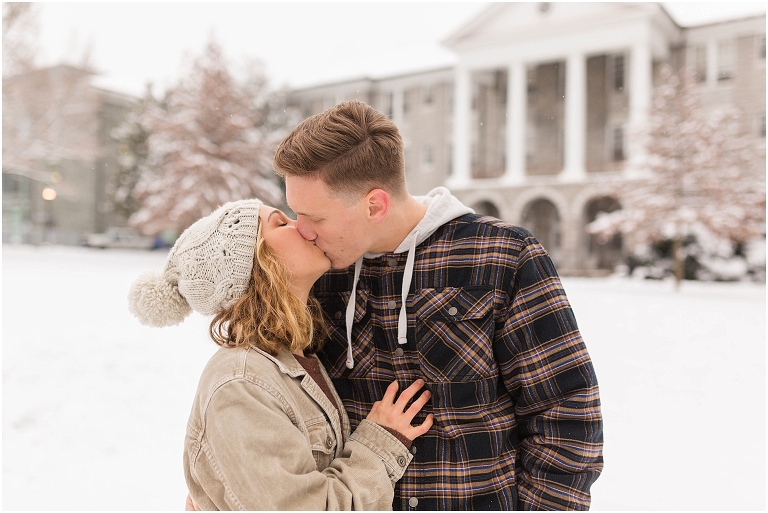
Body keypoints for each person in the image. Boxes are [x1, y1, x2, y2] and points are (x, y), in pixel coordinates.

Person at [272, 101, 604, 510]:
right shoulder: (317, 273)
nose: (301, 230)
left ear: (375, 204)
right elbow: (261, 391)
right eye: (294, 213)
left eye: (314, 217)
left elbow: (564, 409)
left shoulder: (501, 255)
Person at [128, 198, 434, 510]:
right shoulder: (240, 385)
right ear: (258, 262)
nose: (301, 226)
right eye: (281, 223)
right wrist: (380, 442)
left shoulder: (296, 357)